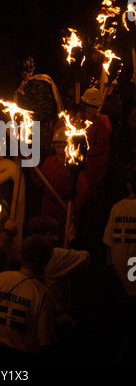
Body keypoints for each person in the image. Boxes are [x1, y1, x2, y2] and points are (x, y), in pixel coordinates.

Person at [0, 234, 56, 366]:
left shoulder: (1, 279)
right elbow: (45, 342)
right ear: (46, 261)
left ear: (21, 255)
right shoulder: (42, 294)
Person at [102, 163, 136, 362]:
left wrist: (110, 269)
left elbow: (108, 243)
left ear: (128, 185)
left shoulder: (117, 207)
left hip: (119, 271)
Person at [26, 215, 91, 315]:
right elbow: (86, 258)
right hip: (54, 314)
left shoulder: (25, 253)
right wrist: (73, 239)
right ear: (48, 235)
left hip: (31, 309)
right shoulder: (55, 256)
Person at [33, 127, 88, 238]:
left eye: (64, 146)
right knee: (46, 234)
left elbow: (83, 188)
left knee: (62, 237)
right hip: (48, 206)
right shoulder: (49, 161)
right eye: (58, 146)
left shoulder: (73, 164)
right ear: (54, 146)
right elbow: (40, 181)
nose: (61, 149)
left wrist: (72, 207)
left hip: (63, 208)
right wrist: (33, 170)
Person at [14, 55, 64, 165]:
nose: (26, 75)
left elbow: (46, 109)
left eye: (29, 71)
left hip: (42, 131)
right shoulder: (22, 87)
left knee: (41, 163)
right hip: (30, 131)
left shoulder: (42, 82)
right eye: (23, 72)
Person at [80, 88, 111, 201]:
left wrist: (86, 150)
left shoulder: (99, 125)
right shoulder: (77, 120)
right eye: (88, 105)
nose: (90, 109)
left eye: (93, 106)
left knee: (87, 196)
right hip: (77, 163)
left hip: (90, 167)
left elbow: (104, 147)